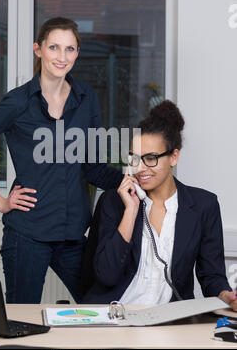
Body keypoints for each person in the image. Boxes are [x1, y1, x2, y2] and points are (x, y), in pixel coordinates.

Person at [0, 17, 123, 304]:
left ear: (77, 53)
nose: (62, 56)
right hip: (27, 234)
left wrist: (137, 181)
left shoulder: (87, 98)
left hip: (73, 235)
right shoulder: (17, 103)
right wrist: (0, 202)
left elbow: (93, 168)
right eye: (54, 47)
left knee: (102, 308)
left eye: (70, 49)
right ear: (38, 49)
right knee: (21, 320)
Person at [83, 100, 237, 312]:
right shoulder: (113, 202)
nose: (140, 168)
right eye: (134, 158)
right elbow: (106, 275)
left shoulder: (204, 206)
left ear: (174, 157)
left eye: (151, 158)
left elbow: (212, 276)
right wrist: (130, 210)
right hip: (114, 315)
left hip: (169, 320)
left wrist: (225, 295)